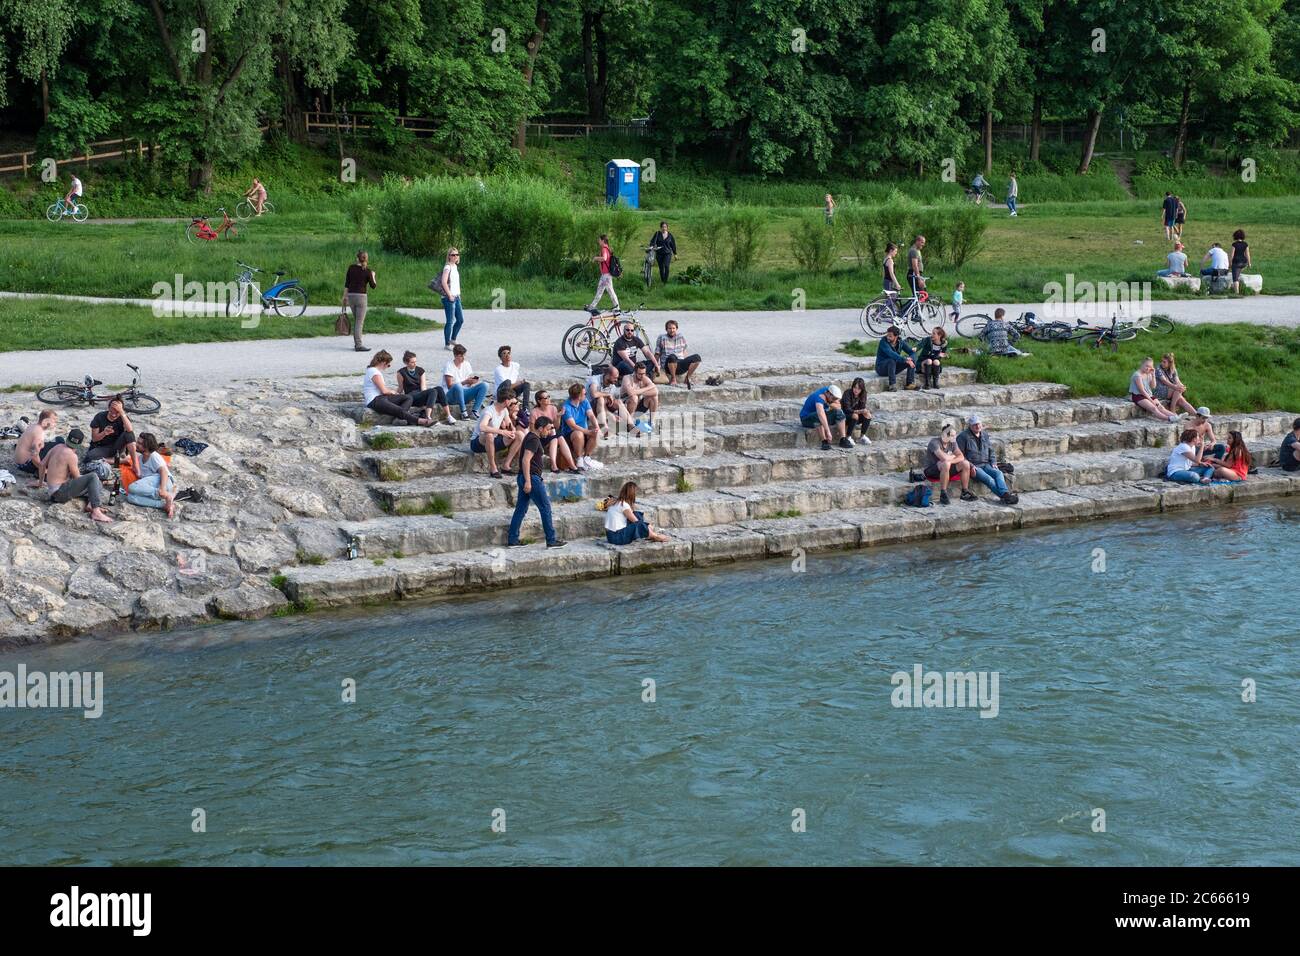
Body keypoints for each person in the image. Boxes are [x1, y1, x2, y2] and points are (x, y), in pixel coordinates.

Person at [506, 416, 567, 549]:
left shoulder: (531, 437)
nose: (550, 431)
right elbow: (525, 460)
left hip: (525, 477)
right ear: (540, 428)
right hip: (531, 478)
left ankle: (512, 540)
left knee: (521, 509)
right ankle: (551, 540)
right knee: (545, 508)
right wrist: (528, 481)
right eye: (549, 428)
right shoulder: (533, 439)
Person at [35, 429, 113, 523]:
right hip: (60, 493)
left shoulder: (57, 447)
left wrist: (40, 483)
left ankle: (90, 505)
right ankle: (96, 511)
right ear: (79, 444)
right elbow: (77, 477)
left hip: (52, 492)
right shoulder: (72, 455)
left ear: (68, 438)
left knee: (97, 483)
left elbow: (42, 464)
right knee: (93, 477)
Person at [957, 414, 1018, 504]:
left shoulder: (984, 434)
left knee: (998, 473)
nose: (977, 426)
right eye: (974, 424)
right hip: (975, 467)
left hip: (986, 464)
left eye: (978, 424)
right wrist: (970, 466)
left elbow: (991, 450)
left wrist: (993, 462)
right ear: (970, 426)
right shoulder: (963, 437)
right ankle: (1006, 497)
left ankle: (1005, 495)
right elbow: (960, 455)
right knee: (989, 479)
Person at [364, 351, 434, 427]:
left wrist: (395, 394)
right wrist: (393, 392)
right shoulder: (374, 372)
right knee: (399, 410)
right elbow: (384, 391)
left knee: (408, 397)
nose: (388, 367)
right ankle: (421, 421)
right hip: (374, 400)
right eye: (388, 365)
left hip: (381, 398)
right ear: (383, 362)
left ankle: (399, 418)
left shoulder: (373, 371)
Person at [470, 384, 523, 478]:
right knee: (489, 435)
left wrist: (512, 430)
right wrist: (502, 432)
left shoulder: (504, 410)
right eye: (512, 400)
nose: (513, 402)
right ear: (507, 401)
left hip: (494, 440)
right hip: (478, 442)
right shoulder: (489, 411)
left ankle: (506, 465)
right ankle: (493, 467)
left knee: (519, 434)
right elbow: (482, 427)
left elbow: (509, 425)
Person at [127, 433, 177, 518]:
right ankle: (164, 505)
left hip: (164, 482)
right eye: (137, 442)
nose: (136, 444)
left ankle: (166, 495)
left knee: (132, 488)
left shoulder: (154, 456)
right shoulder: (140, 458)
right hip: (154, 485)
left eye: (139, 443)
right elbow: (145, 477)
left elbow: (164, 471)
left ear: (146, 446)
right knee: (131, 498)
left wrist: (162, 489)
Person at [923, 423, 976, 505]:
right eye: (952, 435)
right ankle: (943, 493)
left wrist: (950, 459)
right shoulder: (934, 442)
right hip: (931, 470)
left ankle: (965, 492)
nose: (954, 438)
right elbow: (943, 458)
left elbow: (961, 456)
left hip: (946, 467)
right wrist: (953, 456)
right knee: (945, 464)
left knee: (965, 463)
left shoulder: (953, 442)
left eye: (954, 435)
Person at [84, 398, 140, 474]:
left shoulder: (122, 417)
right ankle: (121, 460)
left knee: (129, 434)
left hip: (116, 446)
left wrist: (122, 413)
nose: (114, 415)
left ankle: (135, 465)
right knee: (90, 457)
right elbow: (94, 439)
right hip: (101, 447)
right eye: (111, 411)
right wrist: (104, 433)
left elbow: (130, 430)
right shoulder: (99, 417)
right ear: (108, 408)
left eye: (117, 412)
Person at [530, 390, 581, 473]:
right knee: (556, 438)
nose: (549, 399)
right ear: (539, 401)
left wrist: (558, 417)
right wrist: (544, 432)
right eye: (546, 398)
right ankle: (564, 466)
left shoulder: (553, 408)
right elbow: (532, 430)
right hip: (540, 438)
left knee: (558, 437)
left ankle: (567, 465)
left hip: (551, 436)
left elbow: (556, 427)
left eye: (548, 396)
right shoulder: (534, 412)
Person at [605, 481, 669, 544]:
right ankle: (655, 536)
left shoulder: (617, 502)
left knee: (636, 514)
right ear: (631, 494)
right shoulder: (624, 505)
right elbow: (637, 522)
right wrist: (648, 526)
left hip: (611, 536)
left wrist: (647, 526)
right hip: (616, 537)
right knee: (638, 524)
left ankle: (649, 533)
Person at [397, 351, 452, 422]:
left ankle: (449, 415)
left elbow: (423, 387)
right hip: (411, 396)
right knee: (432, 391)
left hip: (420, 393)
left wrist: (427, 395)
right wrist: (395, 395)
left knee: (439, 389)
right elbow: (400, 388)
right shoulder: (401, 372)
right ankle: (428, 417)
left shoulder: (420, 370)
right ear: (406, 363)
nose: (415, 364)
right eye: (412, 362)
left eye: (415, 361)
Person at [561, 383, 603, 470]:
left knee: (595, 432)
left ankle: (586, 458)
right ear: (579, 396)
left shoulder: (584, 401)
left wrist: (597, 426)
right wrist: (587, 432)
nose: (586, 395)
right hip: (570, 434)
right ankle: (579, 459)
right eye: (584, 394)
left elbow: (591, 415)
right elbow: (572, 426)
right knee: (578, 434)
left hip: (583, 430)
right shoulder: (566, 406)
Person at [342, 249, 376, 353]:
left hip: (351, 296)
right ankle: (358, 345)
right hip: (361, 297)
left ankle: (357, 343)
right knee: (359, 322)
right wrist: (373, 276)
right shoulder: (368, 271)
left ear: (357, 258)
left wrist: (344, 297)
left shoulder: (351, 268)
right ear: (366, 259)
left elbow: (347, 283)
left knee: (357, 321)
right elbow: (373, 286)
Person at [800, 383, 852, 451]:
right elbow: (821, 414)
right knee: (818, 416)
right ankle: (824, 441)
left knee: (839, 412)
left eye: (836, 398)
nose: (835, 400)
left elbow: (838, 407)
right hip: (806, 419)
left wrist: (828, 403)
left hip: (819, 415)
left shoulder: (830, 391)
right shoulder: (819, 397)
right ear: (828, 394)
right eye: (833, 398)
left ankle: (843, 439)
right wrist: (828, 432)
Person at [443, 344, 489, 419]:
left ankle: (475, 411)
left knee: (485, 385)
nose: (463, 358)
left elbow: (468, 384)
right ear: (455, 355)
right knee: (458, 385)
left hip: (464, 393)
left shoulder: (466, 364)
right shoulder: (449, 365)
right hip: (451, 396)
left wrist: (471, 382)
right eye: (461, 356)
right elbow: (450, 386)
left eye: (464, 355)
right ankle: (463, 412)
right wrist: (464, 382)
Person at [1129, 356, 1180, 423]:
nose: (1148, 368)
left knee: (1161, 407)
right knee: (1154, 408)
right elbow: (1142, 391)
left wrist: (1153, 375)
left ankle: (1176, 416)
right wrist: (1151, 400)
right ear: (1142, 364)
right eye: (1146, 366)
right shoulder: (1137, 375)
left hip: (1148, 395)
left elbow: (1153, 386)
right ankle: (1169, 418)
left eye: (1150, 366)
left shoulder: (1148, 374)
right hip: (1138, 396)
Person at [655, 320, 701, 388]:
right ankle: (673, 379)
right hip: (668, 364)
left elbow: (684, 350)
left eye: (673, 328)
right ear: (666, 329)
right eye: (669, 328)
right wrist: (655, 366)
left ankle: (687, 378)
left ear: (676, 329)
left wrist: (687, 362)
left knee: (697, 357)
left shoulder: (681, 336)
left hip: (680, 363)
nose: (672, 330)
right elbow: (657, 353)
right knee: (672, 357)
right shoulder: (661, 337)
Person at [434, 247, 465, 349]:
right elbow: (443, 282)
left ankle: (453, 339)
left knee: (460, 320)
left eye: (457, 254)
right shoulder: (447, 267)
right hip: (448, 298)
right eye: (453, 255)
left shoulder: (455, 266)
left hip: (456, 297)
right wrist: (449, 295)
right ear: (449, 256)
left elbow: (455, 283)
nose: (455, 256)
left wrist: (457, 295)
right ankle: (447, 344)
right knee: (450, 321)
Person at [14, 409, 57, 476]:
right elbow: (34, 456)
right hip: (26, 465)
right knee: (58, 445)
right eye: (53, 421)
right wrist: (43, 470)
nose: (55, 424)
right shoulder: (39, 434)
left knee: (58, 441)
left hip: (19, 462)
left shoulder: (34, 426)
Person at [875, 326, 917, 391]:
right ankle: (892, 385)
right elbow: (891, 353)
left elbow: (912, 352)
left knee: (911, 360)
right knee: (891, 360)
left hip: (893, 368)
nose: (888, 337)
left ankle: (909, 384)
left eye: (890, 336)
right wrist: (905, 360)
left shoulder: (901, 342)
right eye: (887, 335)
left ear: (896, 336)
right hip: (881, 368)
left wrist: (910, 359)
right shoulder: (883, 342)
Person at [620, 364, 658, 434]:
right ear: (635, 372)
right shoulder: (627, 378)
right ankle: (630, 424)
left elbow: (655, 391)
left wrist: (639, 392)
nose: (642, 376)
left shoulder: (644, 378)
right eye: (640, 374)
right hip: (625, 408)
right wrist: (649, 387)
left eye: (644, 373)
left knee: (653, 397)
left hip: (637, 407)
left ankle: (651, 422)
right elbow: (631, 393)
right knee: (634, 397)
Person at [588, 235, 619, 313]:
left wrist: (596, 258)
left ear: (603, 241)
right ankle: (592, 306)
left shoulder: (604, 249)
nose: (598, 241)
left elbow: (604, 258)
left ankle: (617, 308)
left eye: (599, 240)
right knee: (600, 290)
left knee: (610, 291)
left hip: (606, 275)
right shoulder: (607, 248)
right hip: (605, 275)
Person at [493, 345, 530, 410]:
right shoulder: (498, 369)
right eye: (504, 353)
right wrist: (520, 382)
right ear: (500, 357)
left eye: (509, 353)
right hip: (501, 392)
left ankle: (526, 408)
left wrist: (521, 383)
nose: (507, 355)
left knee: (526, 384)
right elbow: (507, 386)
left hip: (512, 391)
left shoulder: (516, 365)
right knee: (508, 381)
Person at [841, 377, 874, 445]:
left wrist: (865, 411)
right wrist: (859, 411)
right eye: (855, 387)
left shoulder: (863, 394)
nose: (856, 390)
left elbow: (862, 407)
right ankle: (848, 437)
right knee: (855, 415)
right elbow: (847, 409)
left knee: (868, 415)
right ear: (852, 386)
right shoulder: (847, 393)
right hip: (845, 415)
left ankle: (862, 437)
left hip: (856, 415)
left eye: (859, 389)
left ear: (862, 389)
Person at [1230, 229, 1251, 294]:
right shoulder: (1245, 244)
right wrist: (1249, 263)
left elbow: (1232, 255)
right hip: (1244, 262)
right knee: (1238, 273)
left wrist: (1230, 263)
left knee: (1235, 278)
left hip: (1236, 262)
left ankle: (1237, 293)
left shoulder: (1234, 244)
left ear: (1235, 236)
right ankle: (1239, 287)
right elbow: (1247, 254)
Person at [882, 242, 901, 308]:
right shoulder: (890, 260)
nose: (896, 253)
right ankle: (878, 312)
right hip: (889, 282)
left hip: (886, 281)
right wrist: (897, 284)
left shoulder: (885, 259)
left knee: (889, 299)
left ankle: (888, 313)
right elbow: (891, 273)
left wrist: (884, 281)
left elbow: (883, 272)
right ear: (891, 250)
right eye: (895, 251)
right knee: (893, 298)